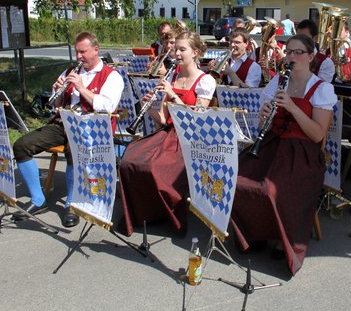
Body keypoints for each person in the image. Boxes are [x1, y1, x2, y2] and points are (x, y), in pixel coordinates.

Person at [230, 34, 338, 276]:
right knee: (238, 179)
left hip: (302, 151)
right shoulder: (278, 81)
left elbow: (318, 134)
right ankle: (254, 233)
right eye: (288, 52)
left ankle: (284, 236)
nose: (291, 57)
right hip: (273, 143)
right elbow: (264, 125)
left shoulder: (322, 88)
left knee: (271, 189)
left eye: (298, 52)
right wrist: (264, 116)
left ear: (311, 57)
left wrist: (292, 107)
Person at [12, 31, 124, 227]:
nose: (79, 57)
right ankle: (38, 199)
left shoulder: (112, 76)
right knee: (22, 145)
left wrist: (81, 88)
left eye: (83, 52)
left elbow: (107, 106)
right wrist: (57, 91)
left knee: (75, 151)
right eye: (77, 52)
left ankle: (71, 205)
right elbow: (54, 103)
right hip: (63, 122)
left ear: (96, 50)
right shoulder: (71, 71)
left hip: (91, 127)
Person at [119, 31, 216, 236]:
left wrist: (173, 95)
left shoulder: (206, 81)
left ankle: (169, 212)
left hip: (189, 138)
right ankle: (145, 212)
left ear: (195, 52)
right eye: (175, 49)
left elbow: (196, 120)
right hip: (168, 132)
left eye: (182, 49)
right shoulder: (172, 76)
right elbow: (163, 119)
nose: (177, 53)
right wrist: (148, 106)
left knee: (154, 167)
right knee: (130, 159)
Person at [296, 19, 336, 83]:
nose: (300, 41)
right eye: (298, 37)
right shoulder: (291, 57)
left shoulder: (326, 63)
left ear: (315, 38)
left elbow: (319, 89)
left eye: (305, 38)